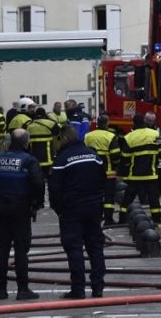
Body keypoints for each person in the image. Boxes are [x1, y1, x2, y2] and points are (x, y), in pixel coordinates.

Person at [0, 129, 44, 301]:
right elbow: (38, 184)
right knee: (21, 251)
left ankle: (1, 290)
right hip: (21, 209)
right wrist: (37, 203)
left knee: (2, 250)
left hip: (2, 209)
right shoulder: (28, 160)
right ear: (26, 143)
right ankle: (22, 289)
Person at [49, 123, 107, 299]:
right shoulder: (93, 155)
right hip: (94, 208)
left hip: (71, 211)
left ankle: (78, 289)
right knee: (95, 248)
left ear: (64, 138)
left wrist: (59, 211)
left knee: (74, 249)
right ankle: (98, 288)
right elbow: (103, 180)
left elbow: (54, 189)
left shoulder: (62, 160)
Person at [120, 112, 161, 222]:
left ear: (134, 124)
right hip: (151, 174)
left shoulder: (129, 137)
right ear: (144, 122)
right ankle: (156, 219)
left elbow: (125, 158)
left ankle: (122, 219)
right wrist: (155, 162)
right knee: (154, 199)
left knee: (127, 199)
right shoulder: (155, 134)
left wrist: (126, 170)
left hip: (134, 176)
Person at [84, 115, 121, 225]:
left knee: (95, 195)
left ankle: (96, 218)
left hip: (92, 172)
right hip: (108, 172)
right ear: (107, 123)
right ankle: (108, 219)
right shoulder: (110, 136)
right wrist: (117, 166)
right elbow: (115, 155)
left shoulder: (88, 136)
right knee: (109, 196)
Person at [26, 107, 59, 197]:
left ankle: (39, 200)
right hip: (49, 159)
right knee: (51, 181)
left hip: (34, 159)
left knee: (37, 181)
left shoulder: (29, 125)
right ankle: (52, 198)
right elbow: (58, 135)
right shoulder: (51, 124)